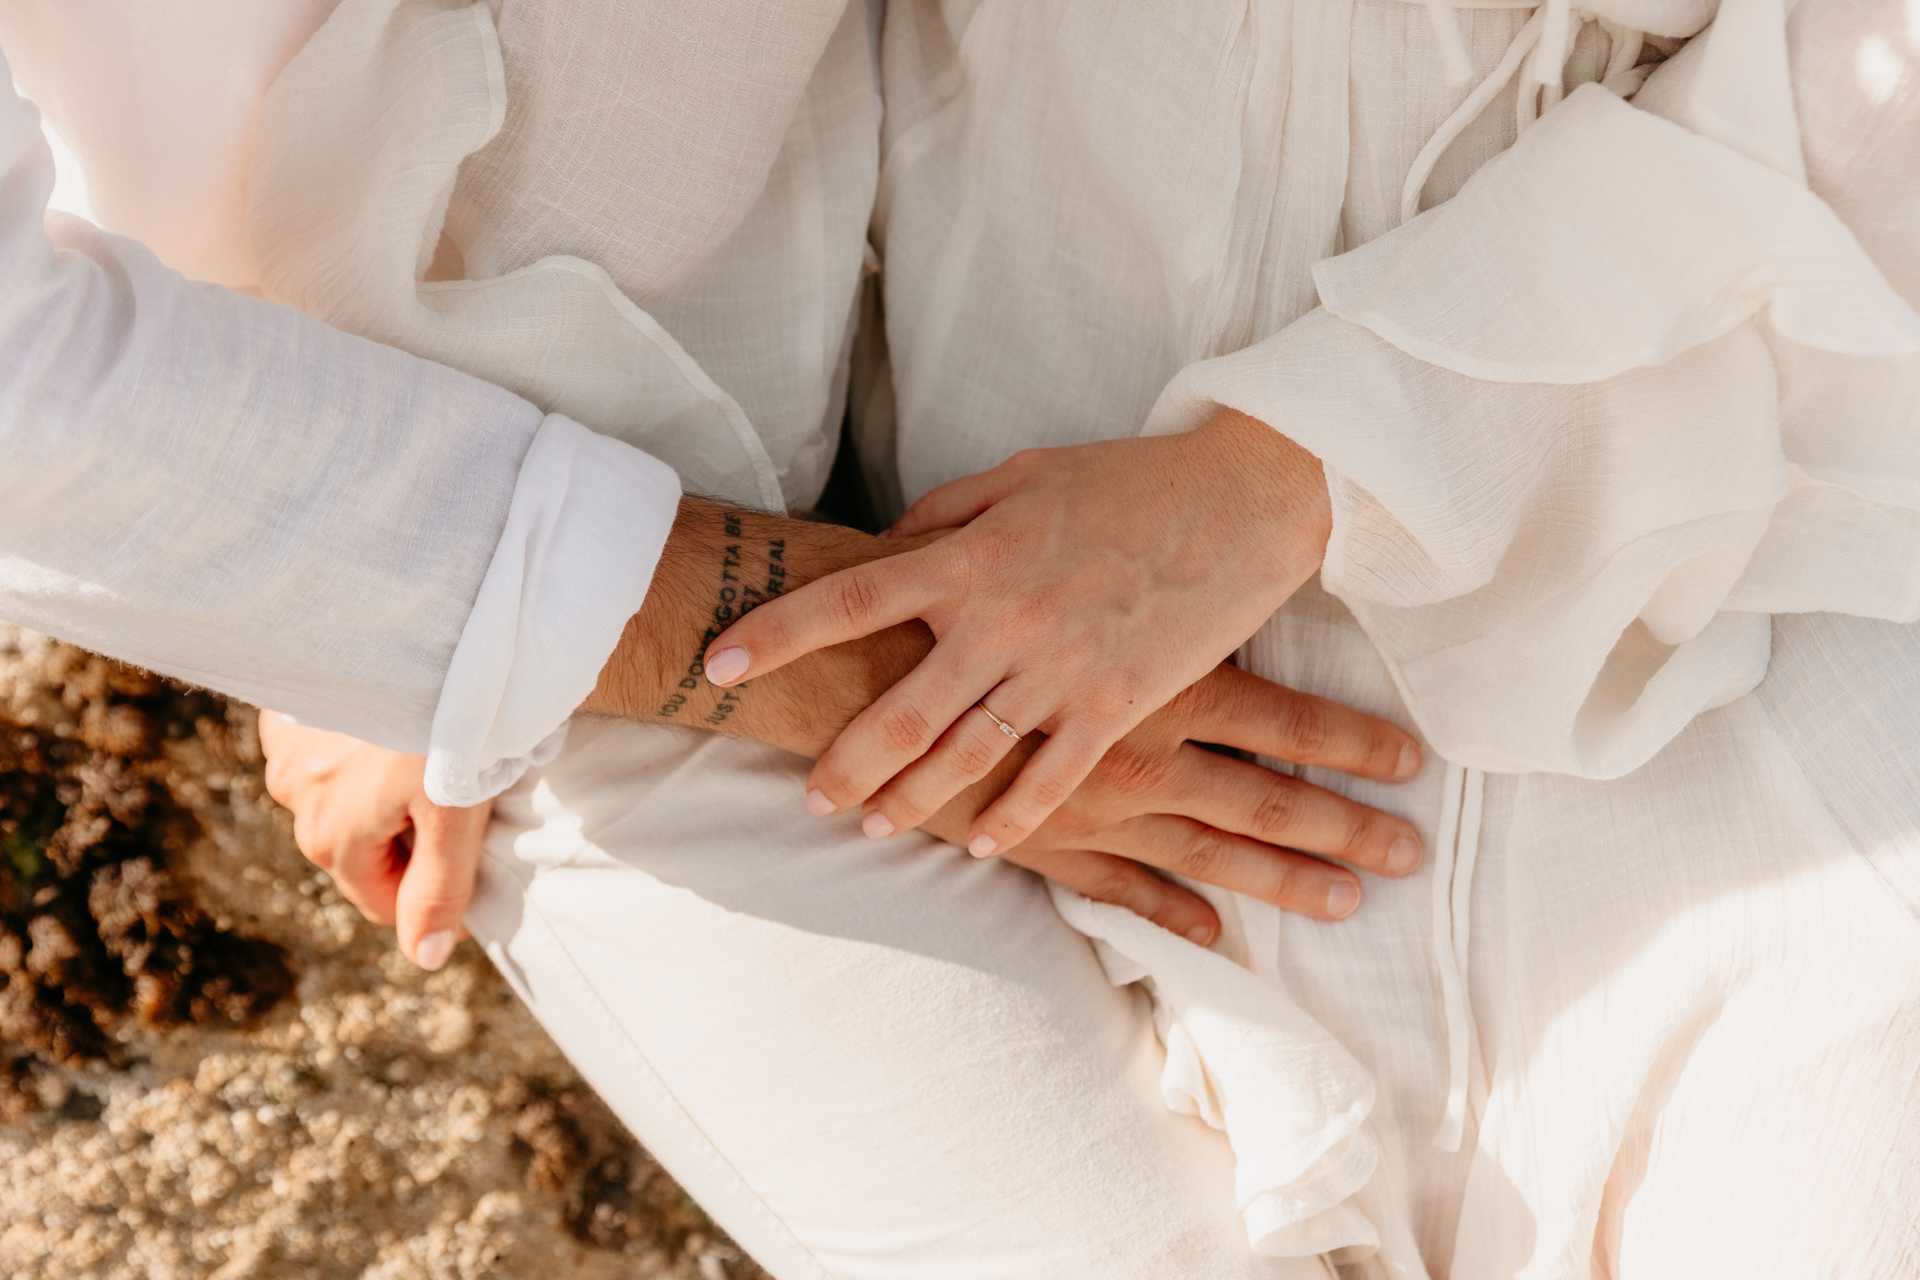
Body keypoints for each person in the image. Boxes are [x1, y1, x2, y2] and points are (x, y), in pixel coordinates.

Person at [7, 3, 1917, 1280]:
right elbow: (513, 284)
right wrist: (422, 532)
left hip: (1703, 526)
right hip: (825, 681)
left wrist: (1283, 478)